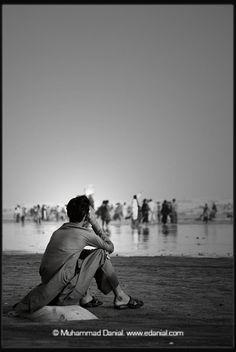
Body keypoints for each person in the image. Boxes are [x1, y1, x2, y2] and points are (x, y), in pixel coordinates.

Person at [12, 195, 144, 315]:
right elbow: (110, 247)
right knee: (100, 252)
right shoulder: (85, 234)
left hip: (51, 291)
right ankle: (120, 296)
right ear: (86, 215)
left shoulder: (58, 232)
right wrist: (95, 223)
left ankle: (86, 298)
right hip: (64, 296)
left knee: (80, 255)